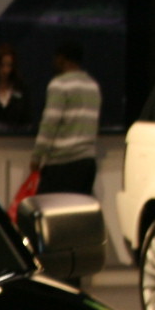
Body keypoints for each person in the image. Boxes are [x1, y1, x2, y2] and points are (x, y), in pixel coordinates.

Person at [30, 42, 101, 195]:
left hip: (62, 163)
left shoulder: (59, 85)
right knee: (79, 208)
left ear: (62, 59)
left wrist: (36, 157)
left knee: (49, 207)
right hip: (87, 162)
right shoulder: (93, 86)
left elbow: (49, 123)